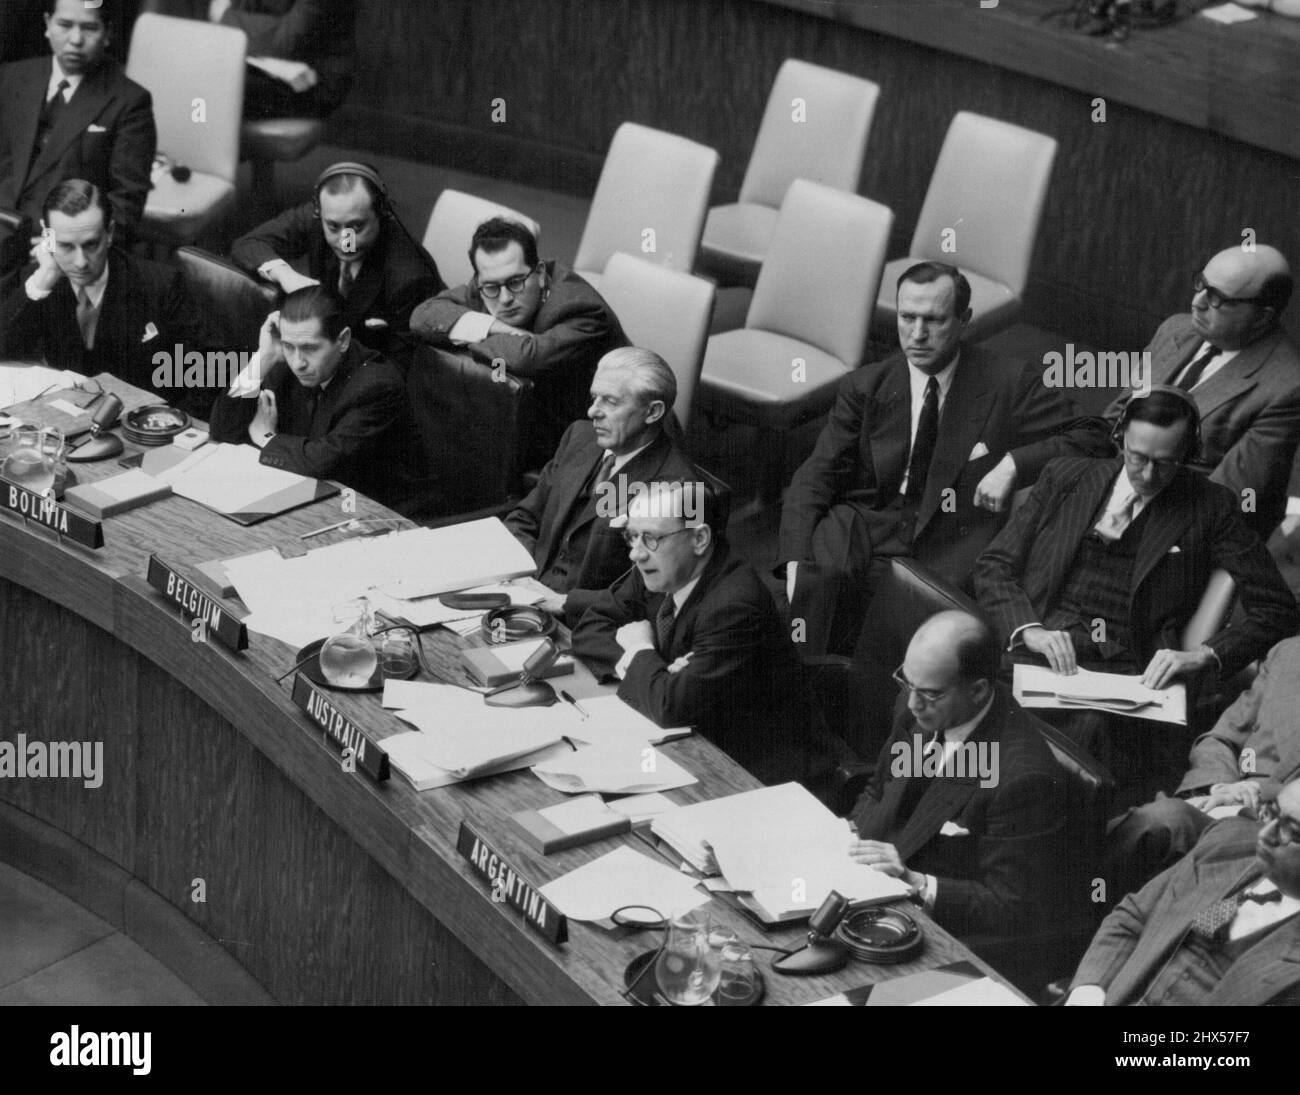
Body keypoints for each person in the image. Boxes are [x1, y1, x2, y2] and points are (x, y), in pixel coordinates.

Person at [974, 387, 1299, 801]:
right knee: (963, 693)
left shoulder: (1211, 506)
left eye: (1165, 464)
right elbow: (994, 565)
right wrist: (1029, 629)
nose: (1147, 475)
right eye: (1136, 458)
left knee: (1081, 737)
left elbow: (1277, 609)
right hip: (1033, 654)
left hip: (1130, 675)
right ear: (1120, 438)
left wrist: (1205, 653)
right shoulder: (1066, 476)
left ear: (1189, 451)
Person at [779, 261, 1111, 657]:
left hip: (951, 534)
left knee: (923, 639)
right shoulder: (866, 385)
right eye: (907, 318)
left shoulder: (1007, 382)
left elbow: (1096, 436)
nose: (917, 335)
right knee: (813, 604)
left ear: (963, 320)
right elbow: (815, 475)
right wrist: (795, 561)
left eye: (934, 320)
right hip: (872, 520)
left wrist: (1013, 464)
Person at [849, 610, 1070, 983]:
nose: (913, 702)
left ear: (979, 689)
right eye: (907, 681)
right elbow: (879, 789)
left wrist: (915, 882)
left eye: (930, 693)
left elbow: (1010, 907)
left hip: (945, 941)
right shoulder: (917, 707)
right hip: (874, 894)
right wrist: (845, 837)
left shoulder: (1023, 779)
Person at [571, 481, 827, 787]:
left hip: (755, 775)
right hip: (687, 746)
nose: (636, 554)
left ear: (700, 539)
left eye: (650, 538)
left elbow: (671, 708)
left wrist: (642, 652)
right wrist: (659, 673)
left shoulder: (736, 605)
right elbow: (590, 627)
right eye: (631, 537)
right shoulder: (659, 569)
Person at [1105, 245, 1300, 540]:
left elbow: (1225, 496)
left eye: (1217, 298)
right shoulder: (1175, 329)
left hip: (1170, 524)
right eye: (1201, 285)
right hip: (1108, 484)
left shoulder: (1287, 387)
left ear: (1262, 316)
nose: (1197, 302)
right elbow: (1114, 419)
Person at [1066, 765, 1300, 1006]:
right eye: (1271, 812)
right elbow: (1134, 916)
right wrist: (1088, 989)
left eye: (1290, 831)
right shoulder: (1227, 843)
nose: (1265, 834)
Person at [410, 217, 629, 469]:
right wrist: (494, 327)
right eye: (491, 287)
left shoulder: (580, 308)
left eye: (516, 283)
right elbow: (423, 316)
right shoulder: (488, 285)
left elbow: (527, 356)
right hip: (543, 420)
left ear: (539, 274)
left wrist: (466, 332)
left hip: (610, 443)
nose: (504, 299)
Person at [208, 284, 438, 519]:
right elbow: (222, 428)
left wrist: (267, 438)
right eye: (288, 346)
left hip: (379, 513)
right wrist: (263, 357)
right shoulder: (287, 362)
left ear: (343, 340)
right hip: (316, 497)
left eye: (310, 348)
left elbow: (325, 461)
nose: (298, 362)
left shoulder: (376, 385)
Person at [1104, 635, 1300, 904]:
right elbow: (1223, 738)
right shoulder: (1288, 652)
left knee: (1163, 823)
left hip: (1276, 833)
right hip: (1223, 796)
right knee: (1138, 828)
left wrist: (1251, 792)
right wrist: (1220, 785)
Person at [504, 347, 695, 623]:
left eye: (611, 402)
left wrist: (563, 602)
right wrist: (520, 575)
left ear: (652, 412)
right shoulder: (579, 436)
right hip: (523, 596)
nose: (593, 411)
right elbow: (525, 517)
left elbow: (664, 593)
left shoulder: (684, 489)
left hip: (588, 625)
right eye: (594, 398)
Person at [0, 179, 213, 417]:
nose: (80, 262)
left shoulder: (161, 285)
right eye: (66, 246)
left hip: (143, 426)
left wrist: (169, 424)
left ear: (109, 233)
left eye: (91, 245)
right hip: (66, 420)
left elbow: (206, 375)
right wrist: (45, 278)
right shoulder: (38, 280)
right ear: (47, 237)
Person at [230, 162, 442, 360]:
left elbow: (404, 367)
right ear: (319, 212)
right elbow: (248, 244)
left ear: (382, 213)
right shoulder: (328, 215)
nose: (345, 243)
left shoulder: (410, 279)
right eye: (333, 227)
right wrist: (287, 276)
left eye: (357, 227)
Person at [0, 0, 154, 271]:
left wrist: (65, 246)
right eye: (64, 25)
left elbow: (126, 202)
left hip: (58, 249)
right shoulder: (12, 76)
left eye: (89, 28)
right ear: (47, 24)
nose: (75, 40)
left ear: (108, 33)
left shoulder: (130, 101)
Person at [207, 0, 356, 120]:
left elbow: (287, 40)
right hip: (262, 64)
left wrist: (224, 15)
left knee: (213, 86)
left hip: (312, 81)